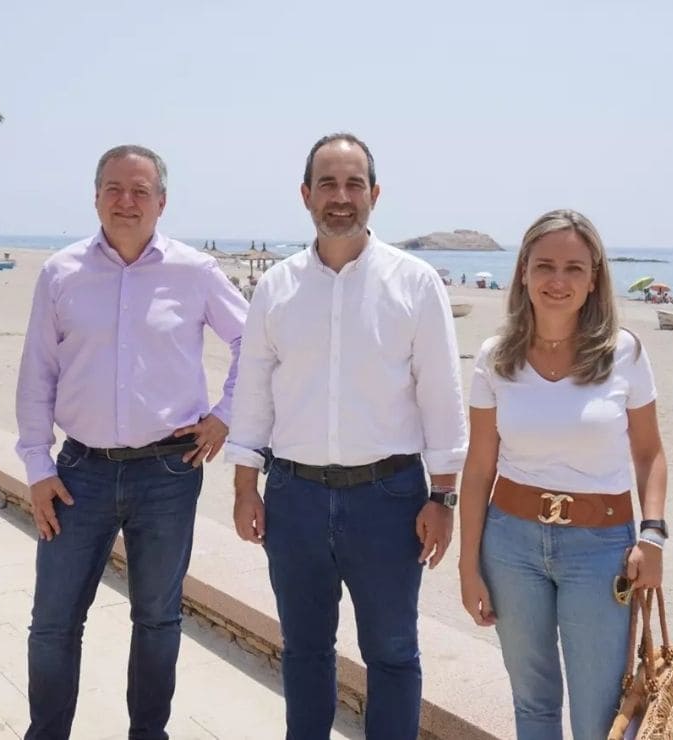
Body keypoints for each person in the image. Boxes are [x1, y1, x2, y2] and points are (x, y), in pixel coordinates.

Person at [227, 133, 467, 739]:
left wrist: (443, 499)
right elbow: (253, 391)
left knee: (391, 652)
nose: (341, 197)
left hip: (389, 501)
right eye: (327, 184)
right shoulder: (277, 288)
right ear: (306, 195)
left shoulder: (415, 284)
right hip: (294, 498)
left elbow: (442, 395)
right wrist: (243, 486)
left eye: (354, 183)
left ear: (375, 194)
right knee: (305, 650)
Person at [16, 145, 249, 739]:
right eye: (115, 189)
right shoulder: (60, 273)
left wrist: (224, 416)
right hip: (77, 476)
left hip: (168, 476)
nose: (126, 201)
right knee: (53, 624)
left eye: (140, 191)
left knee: (157, 620)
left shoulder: (195, 272)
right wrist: (38, 467)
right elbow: (36, 373)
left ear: (161, 202)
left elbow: (256, 344)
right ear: (95, 197)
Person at [457, 209, 669, 739]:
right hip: (510, 546)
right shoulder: (494, 358)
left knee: (599, 714)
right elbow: (480, 467)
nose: (558, 280)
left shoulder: (625, 352)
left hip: (601, 551)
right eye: (544, 265)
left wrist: (654, 536)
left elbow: (650, 454)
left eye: (574, 268)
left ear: (594, 277)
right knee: (532, 702)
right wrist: (467, 566)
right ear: (523, 272)